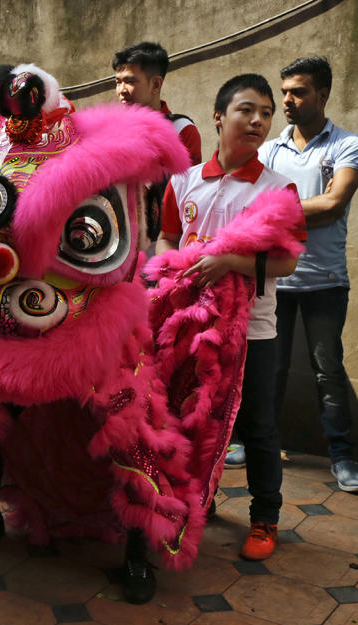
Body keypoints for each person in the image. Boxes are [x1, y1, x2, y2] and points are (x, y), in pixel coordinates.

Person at [156, 74, 305, 561]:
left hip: (254, 330)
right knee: (189, 418)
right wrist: (167, 271)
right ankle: (199, 500)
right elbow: (166, 238)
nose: (259, 120)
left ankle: (265, 518)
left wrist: (231, 263)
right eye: (247, 110)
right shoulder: (183, 181)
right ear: (219, 116)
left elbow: (287, 263)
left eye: (266, 112)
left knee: (258, 426)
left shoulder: (278, 189)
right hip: (191, 326)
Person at [257, 57, 358, 492]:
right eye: (284, 92)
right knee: (268, 370)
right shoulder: (271, 149)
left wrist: (277, 211)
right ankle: (259, 442)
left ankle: (342, 456)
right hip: (277, 280)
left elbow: (334, 204)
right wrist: (300, 210)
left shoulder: (347, 145)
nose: (287, 101)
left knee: (327, 370)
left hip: (325, 281)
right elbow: (251, 202)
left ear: (323, 94)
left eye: (298, 92)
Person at [113, 42, 201, 241]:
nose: (121, 90)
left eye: (129, 81)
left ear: (156, 84)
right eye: (117, 82)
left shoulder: (181, 130)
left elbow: (189, 198)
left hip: (161, 244)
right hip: (116, 243)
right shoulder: (111, 131)